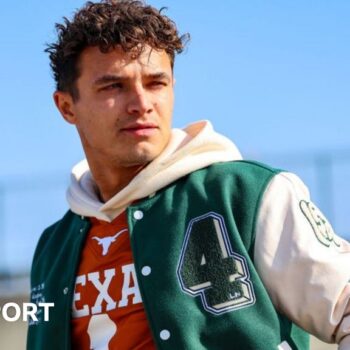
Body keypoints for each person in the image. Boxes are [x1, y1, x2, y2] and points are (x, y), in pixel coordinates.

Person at [27, 1, 350, 349]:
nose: (141, 103)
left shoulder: (247, 194)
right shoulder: (52, 249)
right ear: (66, 107)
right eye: (113, 87)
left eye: (156, 83)